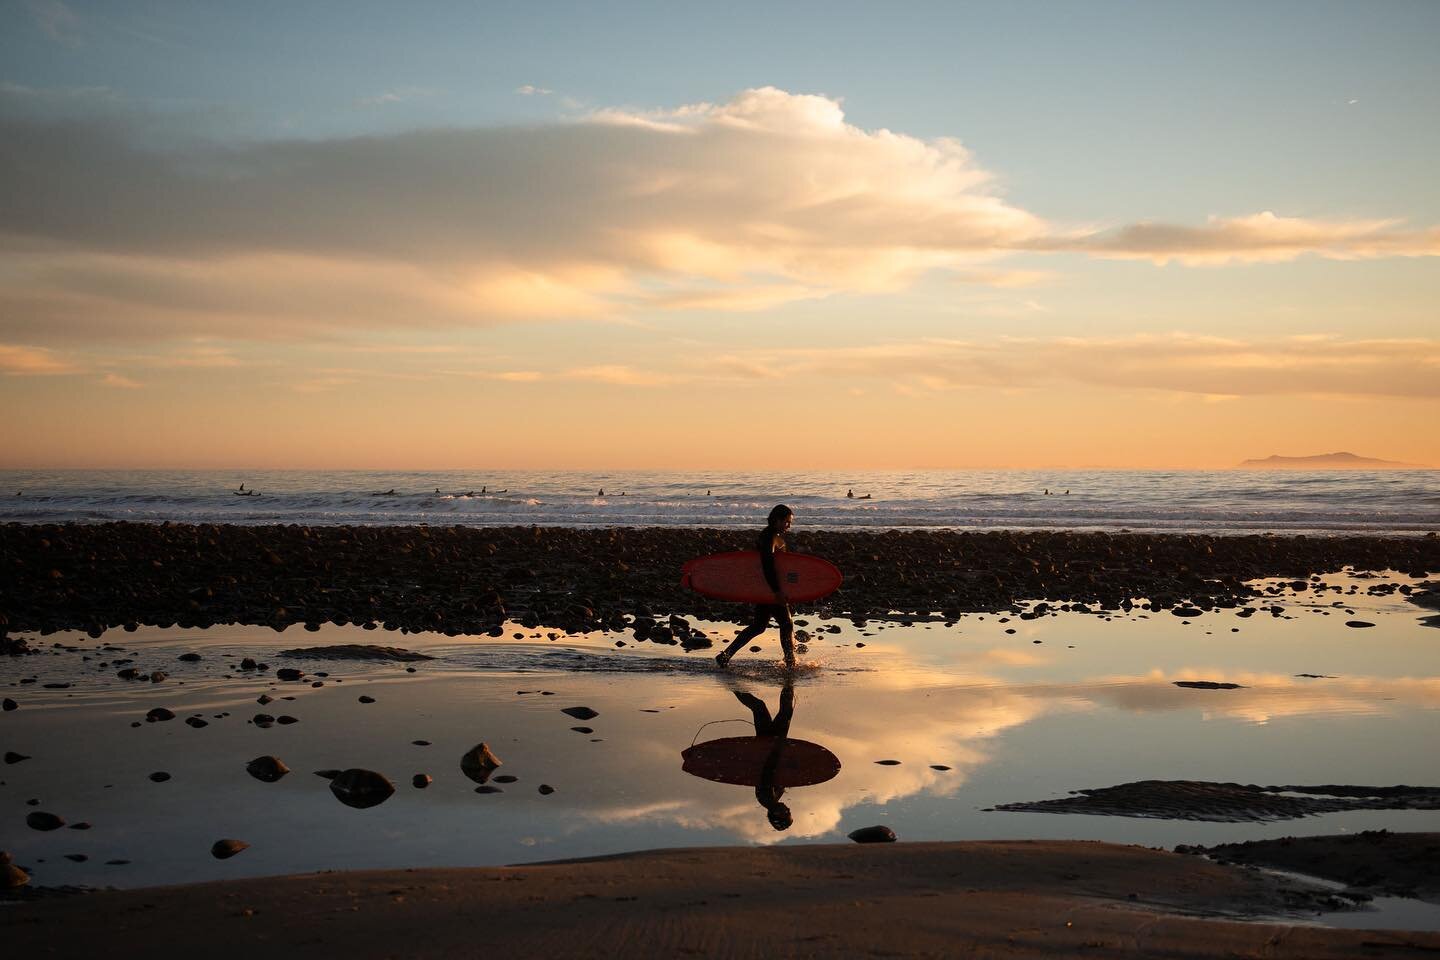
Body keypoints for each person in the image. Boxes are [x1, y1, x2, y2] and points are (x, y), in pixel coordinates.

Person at [716, 504, 796, 670]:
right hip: (769, 587)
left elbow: (780, 566)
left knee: (759, 626)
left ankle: (725, 655)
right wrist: (776, 591)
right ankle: (790, 663)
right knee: (786, 624)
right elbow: (767, 565)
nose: (789, 525)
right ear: (777, 520)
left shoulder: (772, 535)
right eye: (787, 522)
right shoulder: (769, 537)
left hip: (765, 587)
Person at [734, 679, 796, 831]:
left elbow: (768, 769)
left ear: (775, 814)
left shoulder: (766, 797)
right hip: (770, 744)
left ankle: (788, 677)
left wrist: (779, 749)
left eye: (785, 813)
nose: (788, 810)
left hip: (771, 745)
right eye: (789, 813)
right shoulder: (772, 800)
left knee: (775, 709)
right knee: (761, 707)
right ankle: (732, 684)